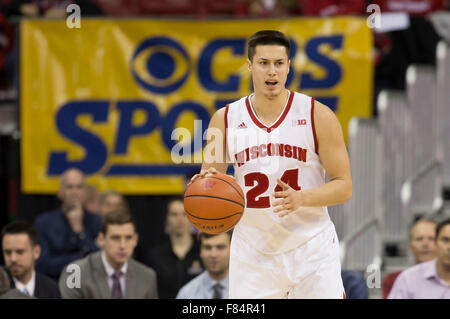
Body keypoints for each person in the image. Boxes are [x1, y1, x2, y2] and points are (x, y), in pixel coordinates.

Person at [190, 30, 352, 298]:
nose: (272, 72)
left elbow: (344, 186)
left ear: (289, 66)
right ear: (249, 65)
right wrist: (203, 187)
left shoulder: (318, 115)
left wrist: (302, 198)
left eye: (279, 63)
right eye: (264, 63)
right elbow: (212, 181)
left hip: (311, 247)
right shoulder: (225, 118)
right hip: (254, 252)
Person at [59, 210, 158, 299]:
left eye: (128, 238)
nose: (122, 246)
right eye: (115, 238)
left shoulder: (147, 276)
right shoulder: (75, 273)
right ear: (101, 239)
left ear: (135, 240)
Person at [34, 168, 102, 280]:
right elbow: (42, 264)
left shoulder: (97, 221)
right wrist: (80, 259)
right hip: (54, 285)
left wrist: (79, 231)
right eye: (69, 187)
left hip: (89, 286)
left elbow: (99, 263)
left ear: (85, 192)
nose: (74, 192)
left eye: (79, 187)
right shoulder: (44, 223)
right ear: (60, 192)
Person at [143, 196, 203, 298]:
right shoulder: (155, 256)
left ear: (192, 218)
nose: (180, 219)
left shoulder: (203, 252)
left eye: (184, 214)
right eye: (174, 214)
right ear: (166, 219)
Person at [388, 218, 450, 298]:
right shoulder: (408, 279)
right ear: (436, 242)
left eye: (430, 238)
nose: (449, 247)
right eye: (445, 240)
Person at [1, 221, 60, 299]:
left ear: (36, 252)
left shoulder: (52, 289)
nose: (13, 259)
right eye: (8, 252)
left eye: (20, 252)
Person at [176, 231, 231, 299]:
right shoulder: (186, 294)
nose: (213, 254)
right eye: (207, 247)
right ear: (200, 251)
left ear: (232, 250)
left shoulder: (246, 289)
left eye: (220, 247)